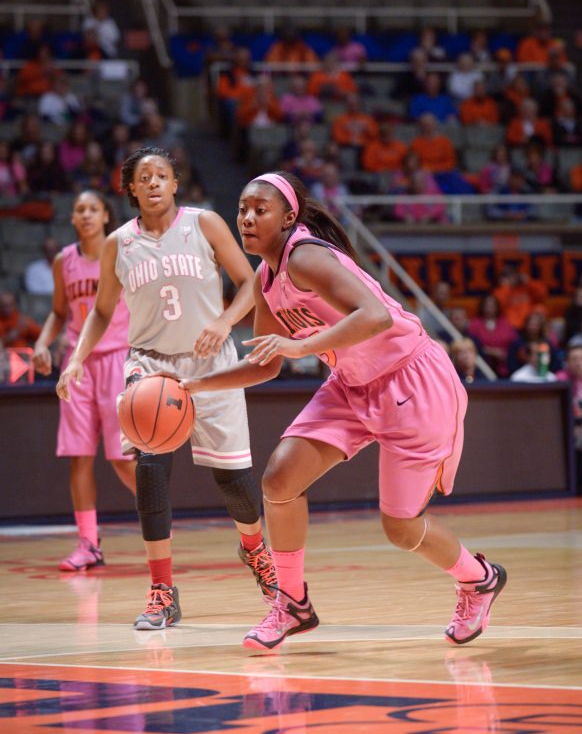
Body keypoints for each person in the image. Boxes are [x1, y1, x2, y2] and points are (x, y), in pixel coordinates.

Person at [180, 170, 507, 651]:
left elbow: (375, 316)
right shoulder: (268, 277)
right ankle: (292, 603)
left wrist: (302, 347)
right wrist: (195, 385)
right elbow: (266, 365)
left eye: (260, 210)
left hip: (411, 380)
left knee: (400, 527)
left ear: (289, 217)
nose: (247, 219)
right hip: (352, 382)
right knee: (279, 480)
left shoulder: (307, 257)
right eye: (243, 209)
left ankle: (479, 579)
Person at [56, 147, 276, 629]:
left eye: (161, 175)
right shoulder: (118, 243)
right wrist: (76, 360)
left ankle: (256, 550)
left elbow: (250, 282)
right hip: (150, 369)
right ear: (130, 189)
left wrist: (224, 322)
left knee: (235, 482)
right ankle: (161, 590)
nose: (153, 183)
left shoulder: (205, 224)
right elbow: (100, 312)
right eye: (143, 177)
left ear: (175, 183)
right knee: (150, 471)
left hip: (212, 364)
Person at [33, 191, 137, 570]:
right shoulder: (65, 261)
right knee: (79, 456)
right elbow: (58, 312)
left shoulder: (122, 253)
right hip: (76, 364)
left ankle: (159, 518)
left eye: (93, 208)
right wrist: (43, 344)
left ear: (106, 216)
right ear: (73, 219)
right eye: (79, 210)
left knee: (122, 458)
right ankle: (88, 543)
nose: (86, 214)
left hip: (117, 358)